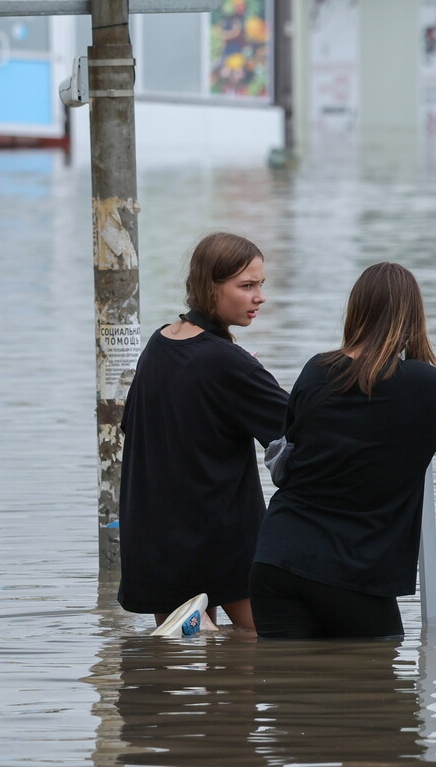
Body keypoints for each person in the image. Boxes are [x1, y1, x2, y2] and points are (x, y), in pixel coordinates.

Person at [251, 262, 436, 639]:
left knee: (291, 686)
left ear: (356, 311)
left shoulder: (316, 370)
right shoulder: (422, 384)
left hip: (276, 557)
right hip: (352, 570)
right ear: (412, 317)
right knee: (381, 689)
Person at [117, 232, 289, 632]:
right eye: (246, 286)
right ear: (209, 288)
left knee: (179, 668)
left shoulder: (159, 344)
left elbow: (136, 427)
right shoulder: (229, 362)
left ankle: (205, 640)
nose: (259, 297)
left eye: (261, 285)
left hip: (158, 539)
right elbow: (302, 425)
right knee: (261, 647)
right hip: (224, 538)